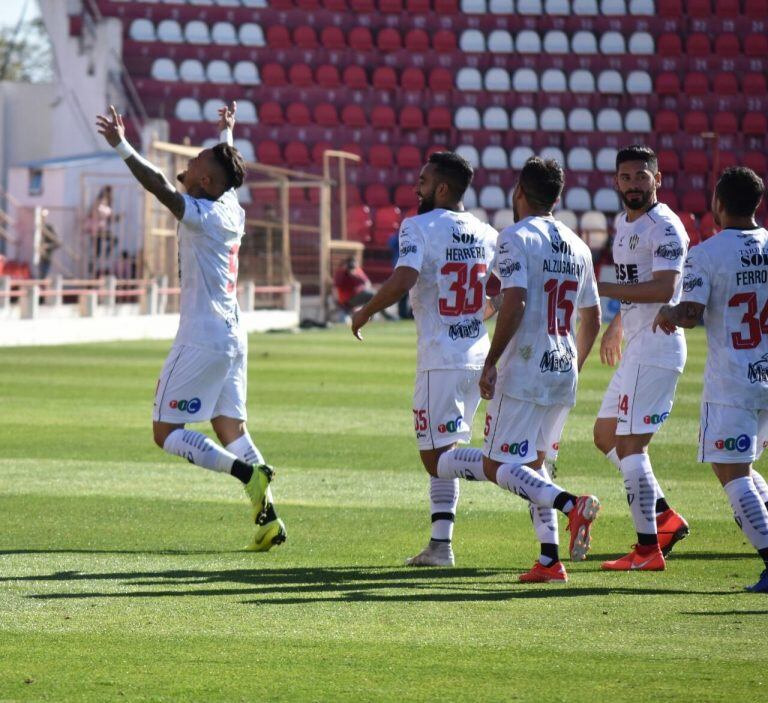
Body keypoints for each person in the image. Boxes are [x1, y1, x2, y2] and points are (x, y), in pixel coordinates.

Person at [95, 101, 285, 551]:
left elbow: (161, 188)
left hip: (203, 334)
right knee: (231, 430)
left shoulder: (203, 213)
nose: (190, 159)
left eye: (197, 159)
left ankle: (247, 474)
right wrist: (228, 134)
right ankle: (269, 519)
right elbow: (227, 175)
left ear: (204, 181)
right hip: (234, 333)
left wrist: (122, 145)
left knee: (166, 432)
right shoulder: (230, 206)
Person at [457, 156, 603, 584]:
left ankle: (570, 504)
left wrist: (489, 362)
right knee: (533, 467)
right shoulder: (579, 245)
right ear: (557, 197)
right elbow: (591, 318)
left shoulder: (515, 237)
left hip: (523, 368)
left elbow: (516, 299)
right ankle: (548, 559)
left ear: (519, 191)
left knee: (495, 465)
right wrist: (573, 363)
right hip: (563, 367)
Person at [351, 151, 498, 567]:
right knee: (446, 452)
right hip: (477, 353)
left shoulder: (417, 226)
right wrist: (475, 316)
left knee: (436, 457)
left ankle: (524, 476)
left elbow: (405, 276)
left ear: (443, 188)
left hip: (441, 358)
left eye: (424, 180)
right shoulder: (486, 232)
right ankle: (440, 546)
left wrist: (366, 309)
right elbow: (499, 293)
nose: (417, 186)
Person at [653, 167, 768, 593]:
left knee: (731, 470)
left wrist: (668, 312)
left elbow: (691, 314)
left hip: (733, 380)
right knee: (744, 466)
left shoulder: (706, 253)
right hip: (766, 373)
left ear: (717, 203)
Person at [593, 144, 690, 572]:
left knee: (631, 445)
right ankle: (665, 517)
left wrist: (604, 292)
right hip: (637, 344)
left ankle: (647, 548)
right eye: (626, 177)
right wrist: (616, 321)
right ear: (616, 182)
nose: (633, 184)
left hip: (657, 348)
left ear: (657, 179)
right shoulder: (623, 222)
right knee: (604, 435)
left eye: (641, 177)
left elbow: (665, 289)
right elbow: (635, 284)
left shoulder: (665, 227)